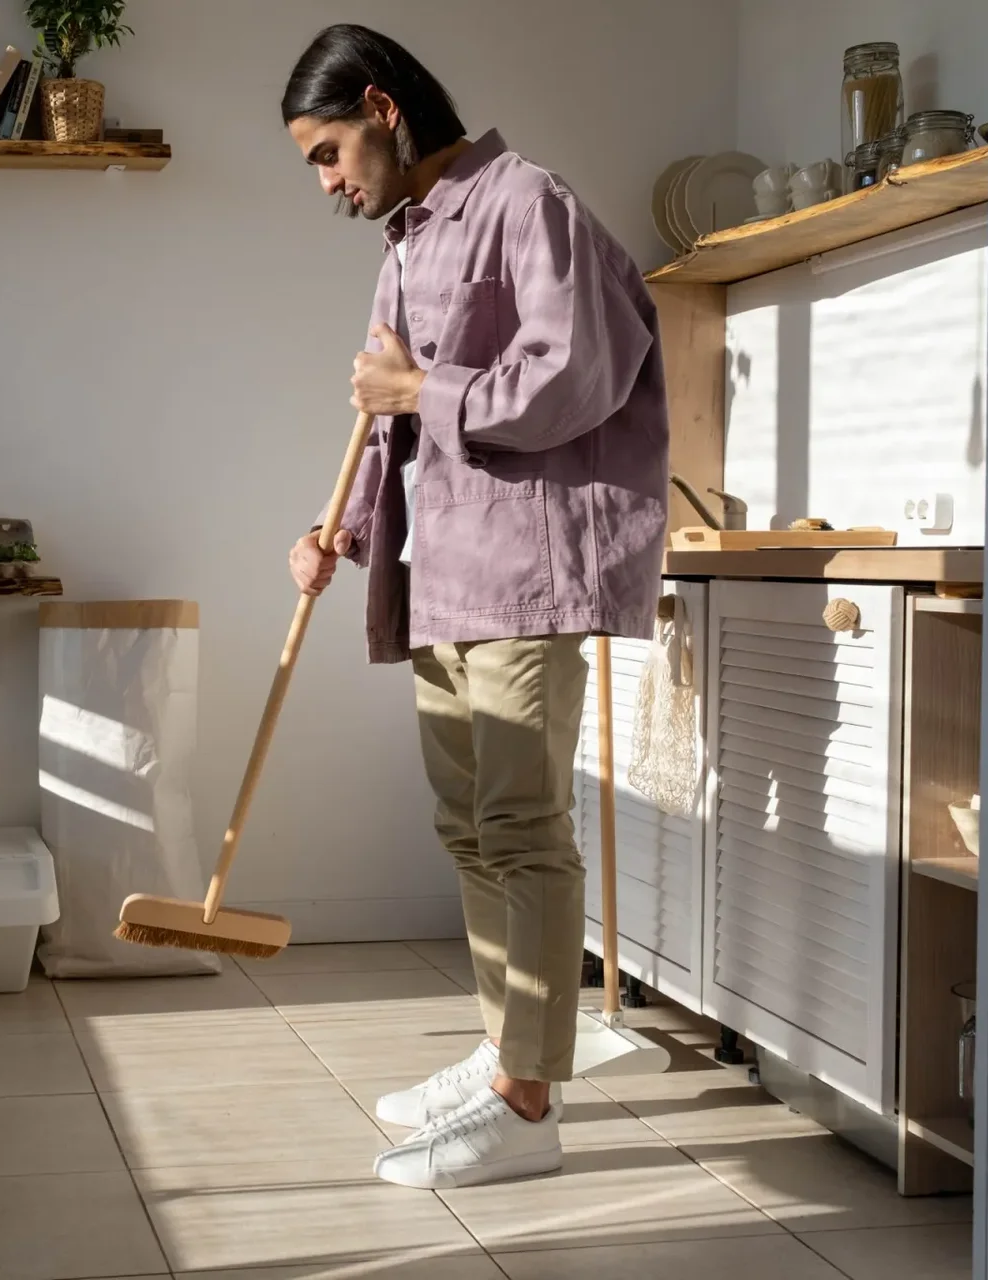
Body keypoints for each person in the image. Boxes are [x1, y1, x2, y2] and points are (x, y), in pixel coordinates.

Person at [279, 24, 668, 1189]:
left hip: (524, 569)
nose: (328, 182)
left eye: (329, 151)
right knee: (471, 831)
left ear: (384, 107)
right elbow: (384, 423)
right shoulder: (405, 245)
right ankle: (509, 1047)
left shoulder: (524, 202)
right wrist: (339, 530)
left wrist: (420, 384)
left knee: (524, 831)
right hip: (440, 574)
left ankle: (530, 1101)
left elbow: (576, 374)